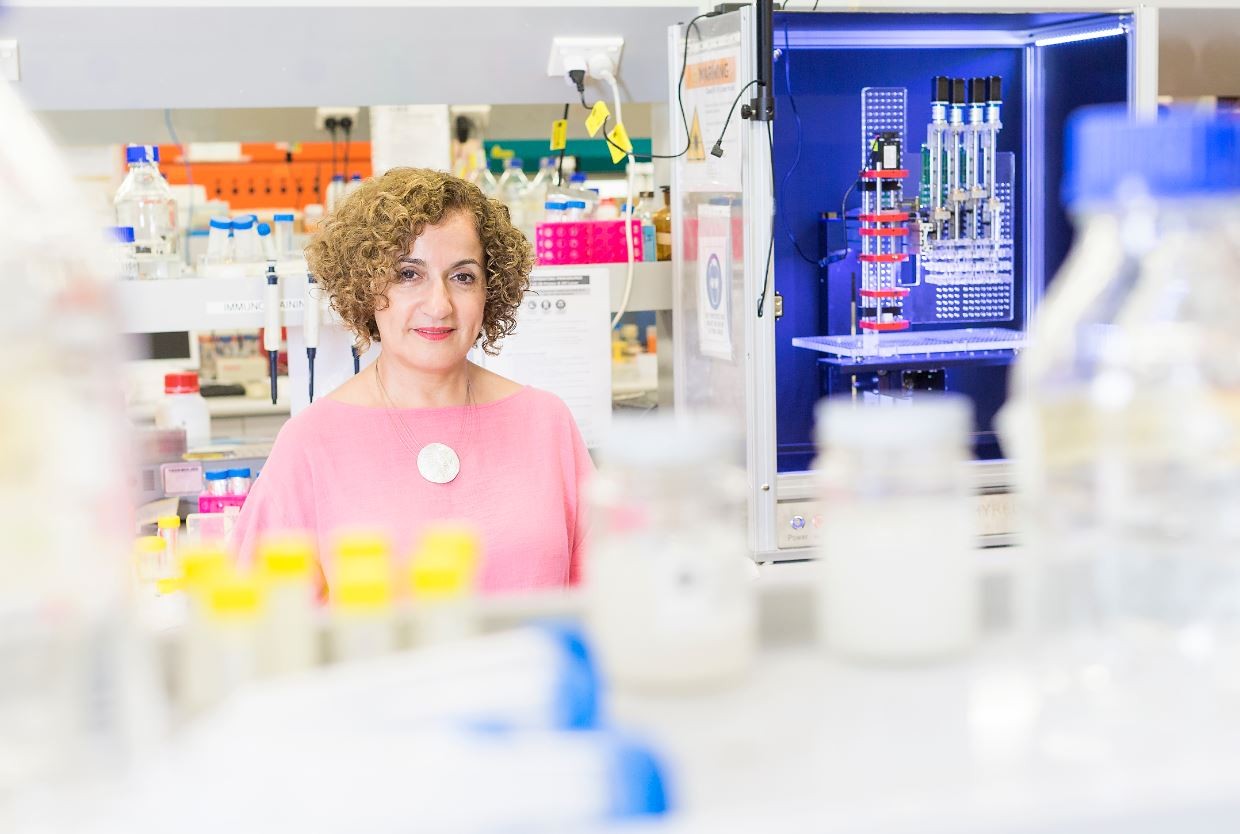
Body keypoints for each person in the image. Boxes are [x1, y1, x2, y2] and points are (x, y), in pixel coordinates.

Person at [230, 168, 592, 592]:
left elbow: (608, 598)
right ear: (364, 286)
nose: (439, 305)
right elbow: (260, 626)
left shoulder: (546, 423)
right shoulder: (311, 443)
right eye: (408, 274)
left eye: (462, 276)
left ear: (489, 289)